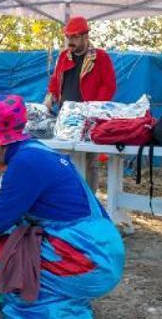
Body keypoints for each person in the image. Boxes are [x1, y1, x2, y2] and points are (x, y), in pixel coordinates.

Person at [0, 95, 125, 318]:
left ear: (0, 140)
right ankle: (63, 290)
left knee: (8, 256)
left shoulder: (24, 164)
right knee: (14, 239)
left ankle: (52, 305)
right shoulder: (35, 150)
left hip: (91, 258)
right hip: (103, 245)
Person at [43, 16, 116, 192]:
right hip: (65, 119)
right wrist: (49, 97)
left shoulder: (101, 57)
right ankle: (67, 198)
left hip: (89, 118)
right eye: (68, 37)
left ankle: (89, 201)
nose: (71, 41)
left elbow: (109, 86)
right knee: (63, 159)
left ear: (85, 36)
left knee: (89, 161)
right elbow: (55, 80)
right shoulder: (63, 56)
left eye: (75, 37)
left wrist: (92, 110)